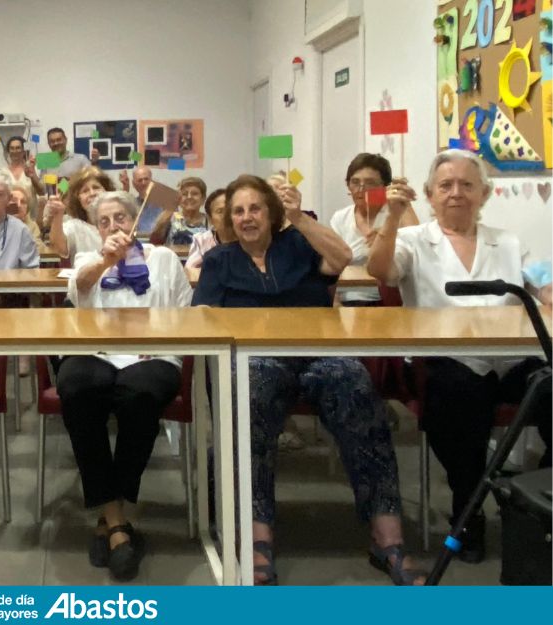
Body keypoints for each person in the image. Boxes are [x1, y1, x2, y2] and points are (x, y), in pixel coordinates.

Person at [193, 174, 422, 585]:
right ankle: (258, 532)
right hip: (255, 361)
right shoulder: (218, 261)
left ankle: (386, 534)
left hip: (318, 355)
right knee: (251, 397)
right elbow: (202, 317)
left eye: (256, 208)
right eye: (238, 211)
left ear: (272, 212)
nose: (247, 218)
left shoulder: (298, 244)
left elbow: (342, 258)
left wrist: (300, 218)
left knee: (356, 387)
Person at [366, 148, 551, 563]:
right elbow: (380, 271)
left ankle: (535, 499)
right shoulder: (414, 240)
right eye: (445, 186)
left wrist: (546, 292)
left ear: (483, 194)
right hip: (446, 361)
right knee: (461, 398)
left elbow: (540, 281)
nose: (456, 193)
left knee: (552, 386)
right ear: (429, 195)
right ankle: (468, 512)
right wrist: (393, 216)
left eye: (467, 185)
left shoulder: (506, 241)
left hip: (509, 359)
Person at [59, 191, 192, 581]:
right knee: (77, 387)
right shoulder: (88, 259)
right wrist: (106, 260)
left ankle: (108, 518)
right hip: (97, 351)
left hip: (153, 354)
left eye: (121, 218)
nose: (114, 225)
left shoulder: (164, 258)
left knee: (141, 395)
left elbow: (184, 312)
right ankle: (118, 520)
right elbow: (80, 288)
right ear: (96, 229)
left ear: (136, 222)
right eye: (104, 221)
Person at [329, 153, 418, 305]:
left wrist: (388, 235)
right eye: (355, 182)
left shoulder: (395, 213)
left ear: (384, 187)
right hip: (350, 297)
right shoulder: (341, 218)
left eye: (370, 183)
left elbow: (417, 247)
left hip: (389, 298)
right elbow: (333, 265)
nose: (361, 189)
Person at [45, 166, 111, 266]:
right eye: (85, 191)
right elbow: (58, 248)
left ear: (107, 191)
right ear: (78, 199)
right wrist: (57, 215)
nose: (92, 193)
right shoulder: (74, 226)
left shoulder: (118, 224)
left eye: (96, 187)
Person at [149, 177, 209, 246]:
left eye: (194, 194)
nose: (189, 197)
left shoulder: (210, 221)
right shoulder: (170, 217)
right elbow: (154, 243)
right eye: (184, 194)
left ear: (203, 199)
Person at [185, 187, 231, 269]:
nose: (227, 216)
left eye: (231, 210)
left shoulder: (250, 239)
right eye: (220, 211)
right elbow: (191, 272)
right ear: (210, 219)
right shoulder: (201, 240)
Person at [9, 182, 44, 253]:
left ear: (27, 210)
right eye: (14, 200)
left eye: (22, 202)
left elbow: (40, 250)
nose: (18, 205)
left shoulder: (32, 226)